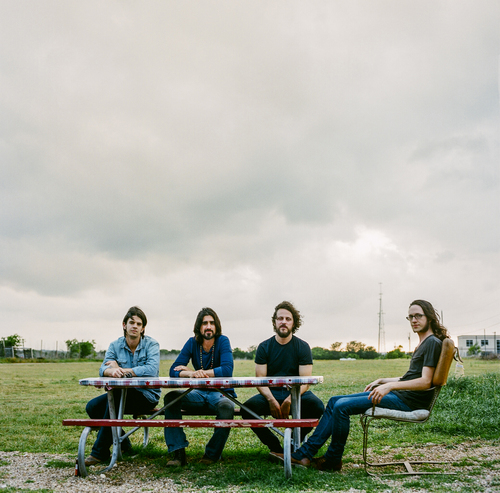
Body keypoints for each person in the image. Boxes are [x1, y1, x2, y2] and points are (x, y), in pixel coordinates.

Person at [277, 299, 449, 471]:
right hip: (402, 395)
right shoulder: (424, 343)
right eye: (410, 317)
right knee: (334, 401)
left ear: (429, 317)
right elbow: (411, 378)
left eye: (418, 316)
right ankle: (304, 454)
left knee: (342, 406)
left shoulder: (432, 342)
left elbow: (425, 382)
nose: (414, 320)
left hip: (409, 402)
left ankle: (331, 460)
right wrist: (383, 380)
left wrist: (389, 387)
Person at [241, 301, 325, 455]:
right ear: (275, 322)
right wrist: (271, 400)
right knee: (247, 409)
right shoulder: (264, 347)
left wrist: (290, 400)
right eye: (280, 318)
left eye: (288, 319)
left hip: (296, 393)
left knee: (317, 406)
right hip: (270, 393)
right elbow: (260, 380)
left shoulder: (303, 347)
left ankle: (293, 441)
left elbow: (305, 382)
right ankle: (275, 446)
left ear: (294, 323)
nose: (283, 322)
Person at [84, 306, 160, 466]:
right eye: (132, 322)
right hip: (121, 395)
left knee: (116, 396)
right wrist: (111, 371)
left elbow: (151, 370)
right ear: (124, 325)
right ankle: (124, 444)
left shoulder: (152, 345)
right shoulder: (115, 345)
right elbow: (103, 368)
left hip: (146, 396)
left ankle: (99, 452)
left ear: (143, 328)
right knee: (93, 407)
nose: (135, 326)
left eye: (139, 324)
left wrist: (122, 370)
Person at [164, 307, 235, 466]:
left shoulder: (223, 341)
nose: (208, 326)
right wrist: (190, 374)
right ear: (199, 326)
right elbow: (173, 370)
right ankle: (178, 454)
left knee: (227, 407)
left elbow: (227, 370)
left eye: (211, 323)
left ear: (216, 326)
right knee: (171, 398)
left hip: (221, 393)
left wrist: (198, 372)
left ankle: (212, 455)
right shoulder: (192, 342)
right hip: (198, 393)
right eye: (204, 323)